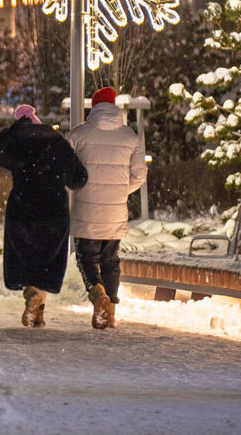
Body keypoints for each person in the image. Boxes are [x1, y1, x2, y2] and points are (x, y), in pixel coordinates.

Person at [0, 104, 87, 328]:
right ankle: (38, 309)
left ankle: (32, 296)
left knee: (26, 260)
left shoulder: (17, 142)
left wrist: (12, 131)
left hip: (23, 209)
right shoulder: (58, 142)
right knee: (46, 263)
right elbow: (79, 179)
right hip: (53, 210)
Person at [66, 86, 148, 329]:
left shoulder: (78, 134)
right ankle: (109, 311)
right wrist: (119, 190)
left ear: (94, 107)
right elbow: (140, 174)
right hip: (115, 211)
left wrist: (78, 187)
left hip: (86, 211)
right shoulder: (129, 137)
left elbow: (64, 168)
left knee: (86, 259)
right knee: (111, 260)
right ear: (114, 107)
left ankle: (97, 294)